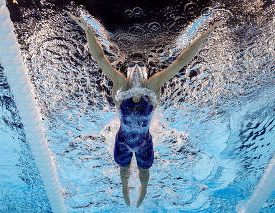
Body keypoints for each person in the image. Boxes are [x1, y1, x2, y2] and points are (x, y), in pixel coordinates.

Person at [68, 12, 223, 207]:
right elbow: (100, 58)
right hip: (122, 141)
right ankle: (125, 190)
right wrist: (87, 28)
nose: (136, 67)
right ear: (127, 69)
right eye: (132, 64)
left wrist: (206, 32)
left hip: (144, 143)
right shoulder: (120, 85)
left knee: (144, 172)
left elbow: (181, 62)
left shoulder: (152, 86)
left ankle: (142, 192)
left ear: (146, 70)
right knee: (123, 170)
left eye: (141, 64)